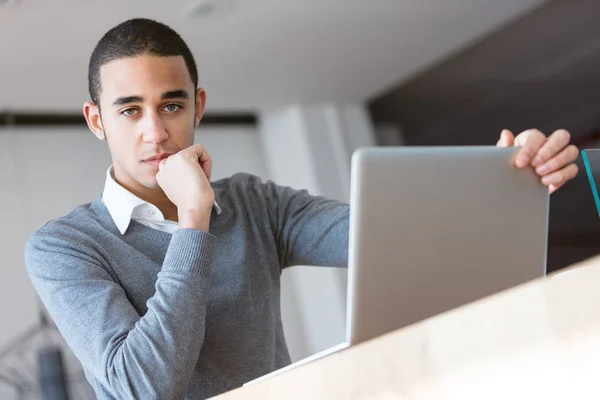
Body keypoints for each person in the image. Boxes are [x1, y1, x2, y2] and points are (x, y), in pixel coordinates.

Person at [24, 18, 580, 400]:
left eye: (171, 105)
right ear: (97, 120)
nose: (155, 132)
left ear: (197, 106)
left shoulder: (255, 203)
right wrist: (194, 217)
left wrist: (508, 176)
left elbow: (394, 232)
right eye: (129, 111)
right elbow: (144, 389)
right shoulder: (64, 246)